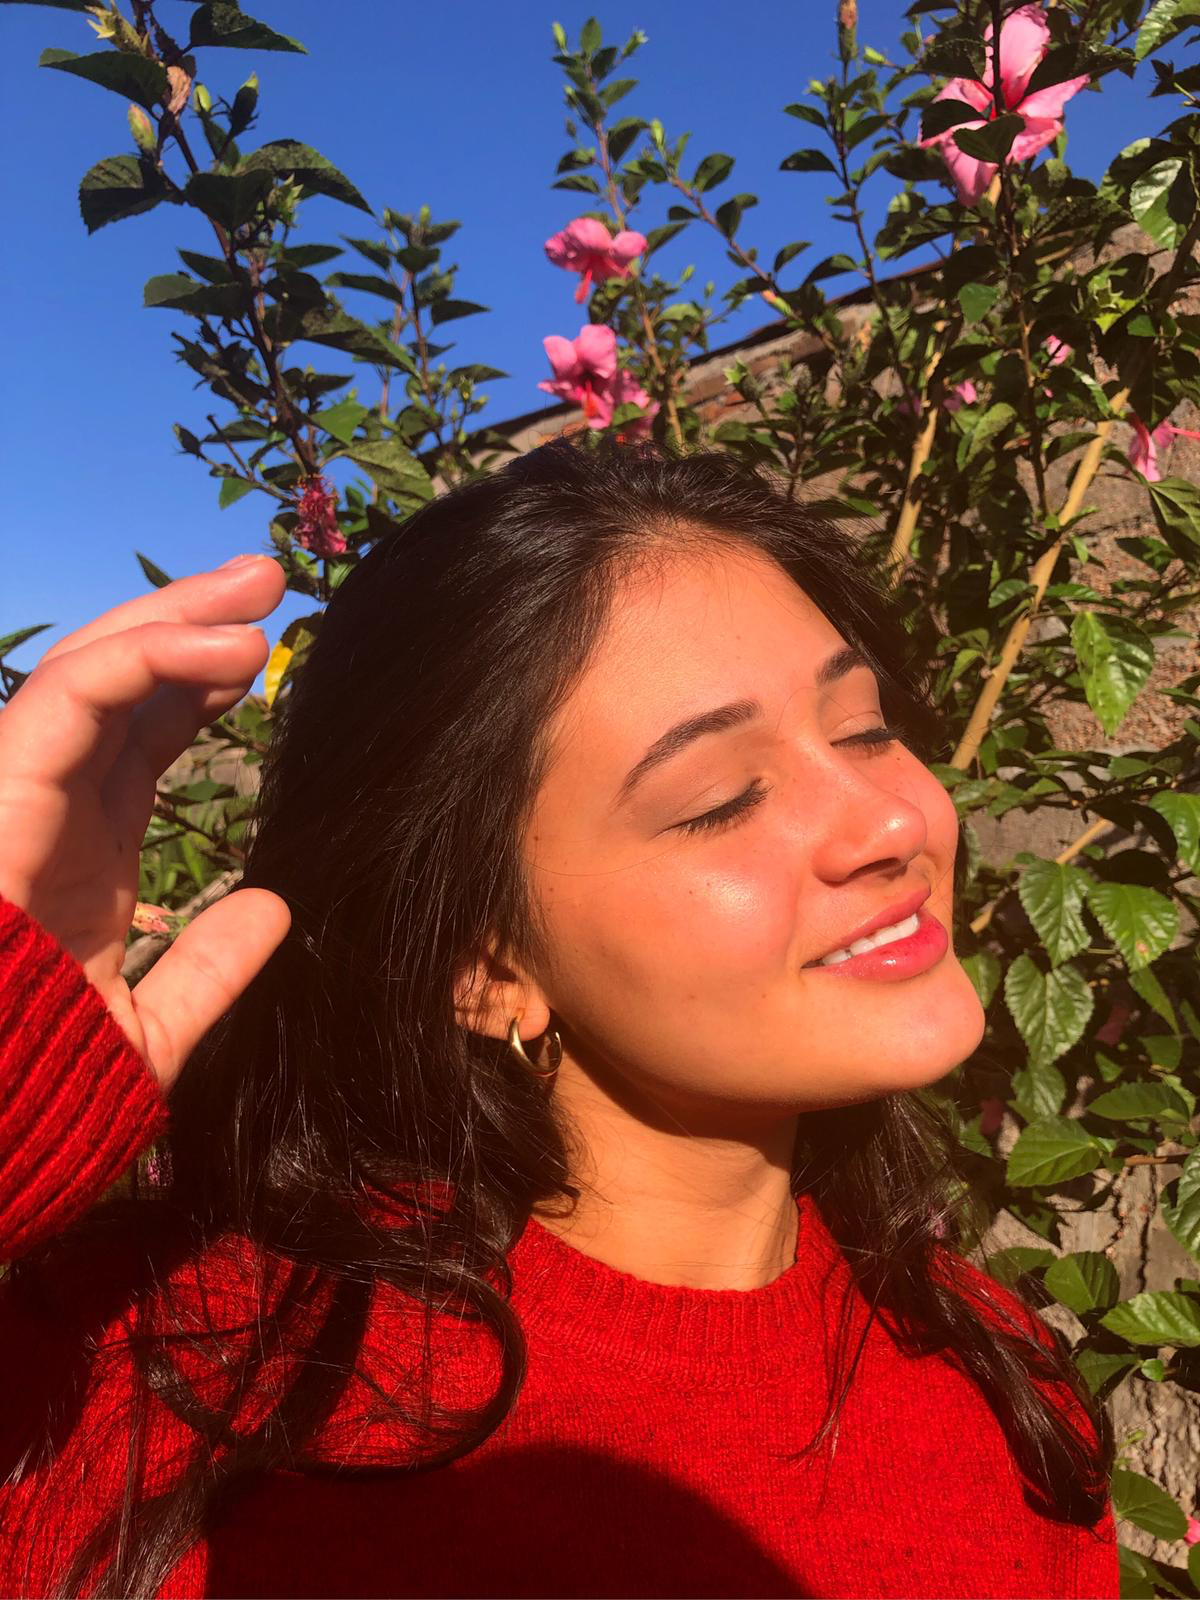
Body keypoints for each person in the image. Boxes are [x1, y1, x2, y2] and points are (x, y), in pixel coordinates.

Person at [0, 440, 1116, 1599]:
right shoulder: (185, 1384)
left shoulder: (996, 1381)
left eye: (865, 728)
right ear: (486, 968)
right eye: (722, 799)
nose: (891, 823)